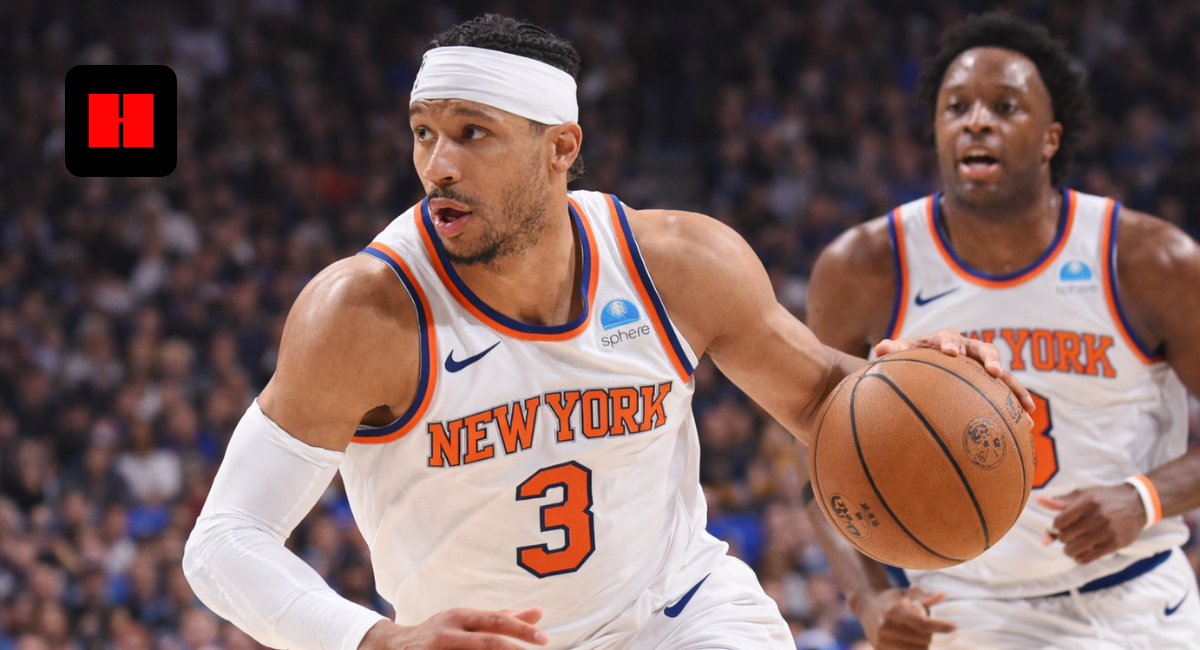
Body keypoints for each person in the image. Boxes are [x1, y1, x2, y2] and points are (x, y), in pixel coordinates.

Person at [181, 14, 1028, 650]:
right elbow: (223, 543)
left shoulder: (678, 262)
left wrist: (927, 379)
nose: (439, 163)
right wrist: (376, 639)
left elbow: (824, 400)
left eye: (473, 134)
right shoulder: (362, 313)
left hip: (678, 614)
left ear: (561, 147)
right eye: (425, 134)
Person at [804, 12, 1200, 650]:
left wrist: (1145, 497)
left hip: (1135, 597)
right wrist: (870, 598)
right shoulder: (863, 268)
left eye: (1005, 106)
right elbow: (815, 454)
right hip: (962, 606)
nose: (976, 121)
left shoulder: (1150, 261)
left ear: (1050, 138)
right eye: (955, 107)